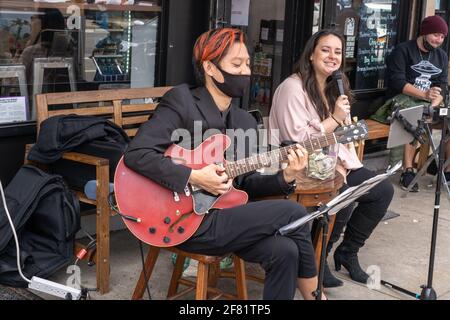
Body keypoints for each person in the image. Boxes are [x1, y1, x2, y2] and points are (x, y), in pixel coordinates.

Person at [124, 28, 323, 300]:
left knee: (285, 251)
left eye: (248, 64)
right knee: (294, 212)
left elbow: (245, 186)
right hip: (185, 220)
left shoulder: (245, 121)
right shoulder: (182, 101)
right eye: (236, 64)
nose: (245, 72)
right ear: (210, 67)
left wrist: (286, 177)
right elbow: (138, 153)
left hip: (226, 216)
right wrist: (193, 176)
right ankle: (316, 297)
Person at [269, 29, 394, 288]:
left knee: (382, 190)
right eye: (325, 49)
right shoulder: (292, 88)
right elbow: (298, 141)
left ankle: (346, 252)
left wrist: (345, 126)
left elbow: (341, 134)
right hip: (300, 166)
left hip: (333, 162)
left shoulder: (335, 86)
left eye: (338, 51)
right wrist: (335, 119)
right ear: (311, 55)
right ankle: (316, 261)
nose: (332, 56)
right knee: (343, 198)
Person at [384, 15, 449, 191]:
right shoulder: (403, 50)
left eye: (442, 37)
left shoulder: (441, 56)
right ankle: (408, 168)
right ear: (424, 33)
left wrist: (433, 105)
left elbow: (442, 85)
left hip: (430, 100)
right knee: (413, 114)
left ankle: (444, 167)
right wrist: (424, 94)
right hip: (401, 98)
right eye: (436, 35)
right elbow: (398, 82)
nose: (439, 40)